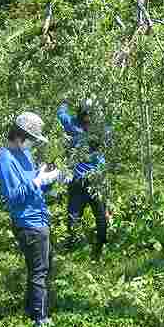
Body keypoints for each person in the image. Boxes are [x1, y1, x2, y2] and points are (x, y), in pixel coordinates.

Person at [0, 112, 65, 327]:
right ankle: (40, 320)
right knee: (39, 271)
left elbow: (34, 185)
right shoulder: (5, 158)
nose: (33, 144)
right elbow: (13, 197)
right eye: (31, 140)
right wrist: (37, 181)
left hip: (39, 217)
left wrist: (48, 179)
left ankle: (31, 310)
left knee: (43, 266)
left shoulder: (25, 155)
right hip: (28, 222)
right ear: (20, 136)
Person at [57, 98, 112, 253]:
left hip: (97, 179)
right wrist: (65, 100)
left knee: (101, 215)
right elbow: (61, 114)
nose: (88, 119)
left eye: (91, 115)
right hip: (77, 179)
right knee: (73, 215)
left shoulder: (102, 128)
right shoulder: (73, 125)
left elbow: (113, 117)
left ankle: (101, 245)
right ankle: (73, 246)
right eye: (86, 115)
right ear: (81, 114)